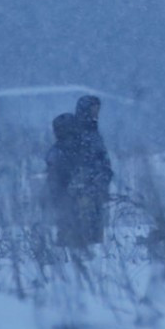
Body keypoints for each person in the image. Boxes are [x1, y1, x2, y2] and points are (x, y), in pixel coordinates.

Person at [43, 96, 114, 247]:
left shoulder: (91, 131)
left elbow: (99, 158)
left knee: (85, 227)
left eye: (98, 108)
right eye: (94, 108)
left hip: (87, 188)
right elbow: (87, 159)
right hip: (81, 189)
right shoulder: (83, 133)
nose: (97, 112)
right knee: (80, 227)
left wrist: (104, 174)